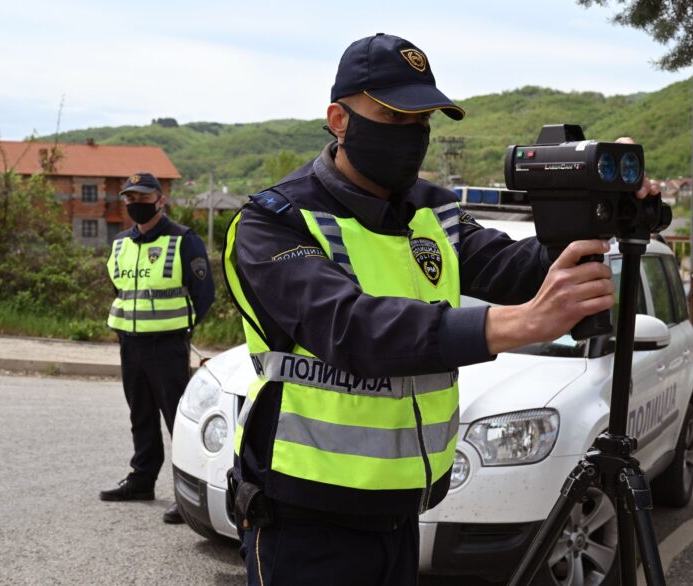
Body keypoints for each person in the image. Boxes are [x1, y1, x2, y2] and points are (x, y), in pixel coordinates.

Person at [223, 33, 659, 585]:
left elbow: (514, 267)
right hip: (305, 518)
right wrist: (520, 324)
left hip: (404, 512)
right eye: (394, 116)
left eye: (422, 119)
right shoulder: (273, 220)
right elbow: (353, 329)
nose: (412, 134)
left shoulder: (432, 210)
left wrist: (601, 204)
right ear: (338, 120)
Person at [100, 171, 215, 525]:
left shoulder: (184, 240)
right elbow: (120, 290)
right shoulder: (120, 243)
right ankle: (141, 480)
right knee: (141, 414)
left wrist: (182, 329)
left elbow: (204, 293)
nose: (136, 203)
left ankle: (188, 495)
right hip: (130, 342)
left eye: (143, 197)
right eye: (130, 198)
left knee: (179, 420)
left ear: (160, 200)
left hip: (167, 345)